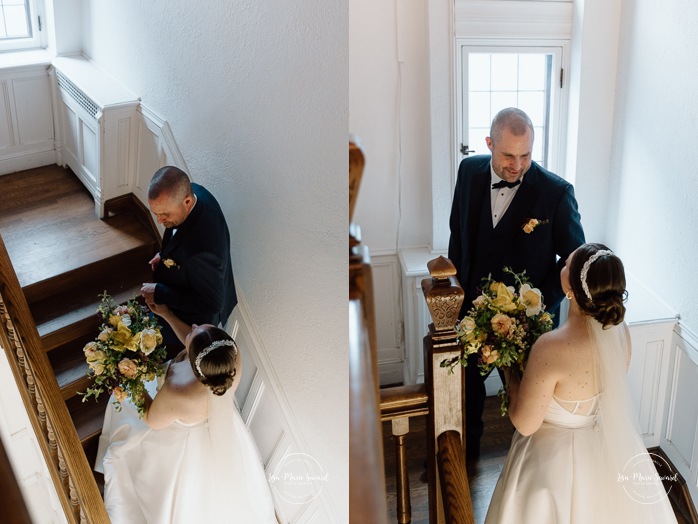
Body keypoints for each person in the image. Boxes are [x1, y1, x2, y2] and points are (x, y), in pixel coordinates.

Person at [485, 243, 677, 523]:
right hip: (601, 447)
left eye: (566, 265)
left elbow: (525, 423)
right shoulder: (620, 332)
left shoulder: (550, 347)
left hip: (550, 465)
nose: (562, 265)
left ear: (571, 291)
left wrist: (509, 368)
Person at [448, 107, 585, 458]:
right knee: (467, 393)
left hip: (530, 329)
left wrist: (537, 304)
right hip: (471, 318)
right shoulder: (468, 171)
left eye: (525, 155)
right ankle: (466, 460)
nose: (517, 165)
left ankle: (531, 472)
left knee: (529, 408)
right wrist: (458, 295)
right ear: (489, 143)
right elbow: (457, 234)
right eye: (508, 155)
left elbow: (575, 262)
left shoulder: (556, 193)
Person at [95, 303, 277, 523]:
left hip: (171, 422)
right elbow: (196, 344)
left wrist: (132, 376)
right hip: (212, 420)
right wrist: (167, 314)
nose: (192, 326)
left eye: (193, 331)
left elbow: (151, 419)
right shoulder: (228, 358)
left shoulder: (178, 392)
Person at [141, 166, 237, 357]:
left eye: (165, 214)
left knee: (165, 353)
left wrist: (160, 292)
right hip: (191, 279)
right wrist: (164, 254)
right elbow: (179, 231)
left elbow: (211, 304)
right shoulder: (196, 193)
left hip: (192, 319)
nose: (159, 221)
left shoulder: (203, 250)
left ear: (186, 201)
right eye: (156, 213)